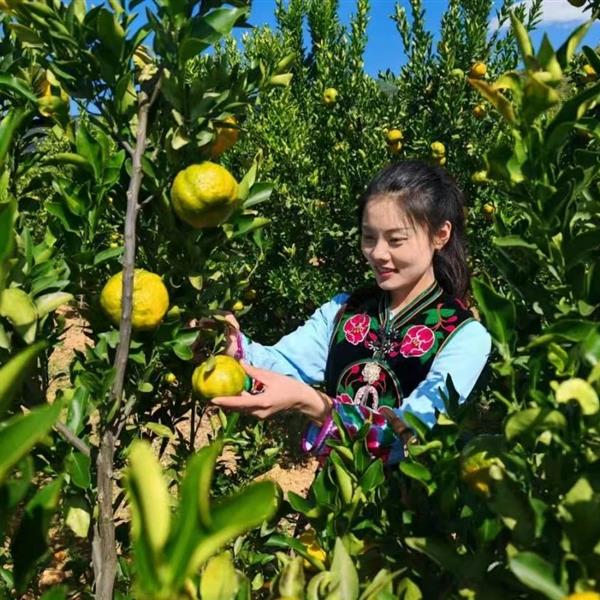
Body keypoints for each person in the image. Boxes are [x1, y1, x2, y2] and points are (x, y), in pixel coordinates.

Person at [208, 160, 491, 464]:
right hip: (334, 489)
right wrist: (229, 342)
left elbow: (412, 433)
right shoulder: (345, 310)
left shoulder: (464, 336)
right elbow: (279, 366)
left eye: (396, 240)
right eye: (369, 237)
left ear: (440, 235)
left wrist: (313, 404)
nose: (377, 253)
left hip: (410, 493)